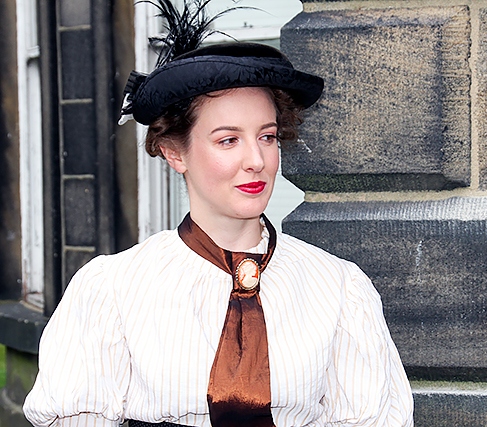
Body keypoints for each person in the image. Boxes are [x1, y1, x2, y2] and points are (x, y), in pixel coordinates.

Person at [23, 3, 414, 427]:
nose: (256, 160)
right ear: (175, 152)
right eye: (228, 140)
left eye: (267, 136)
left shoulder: (338, 288)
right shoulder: (114, 290)